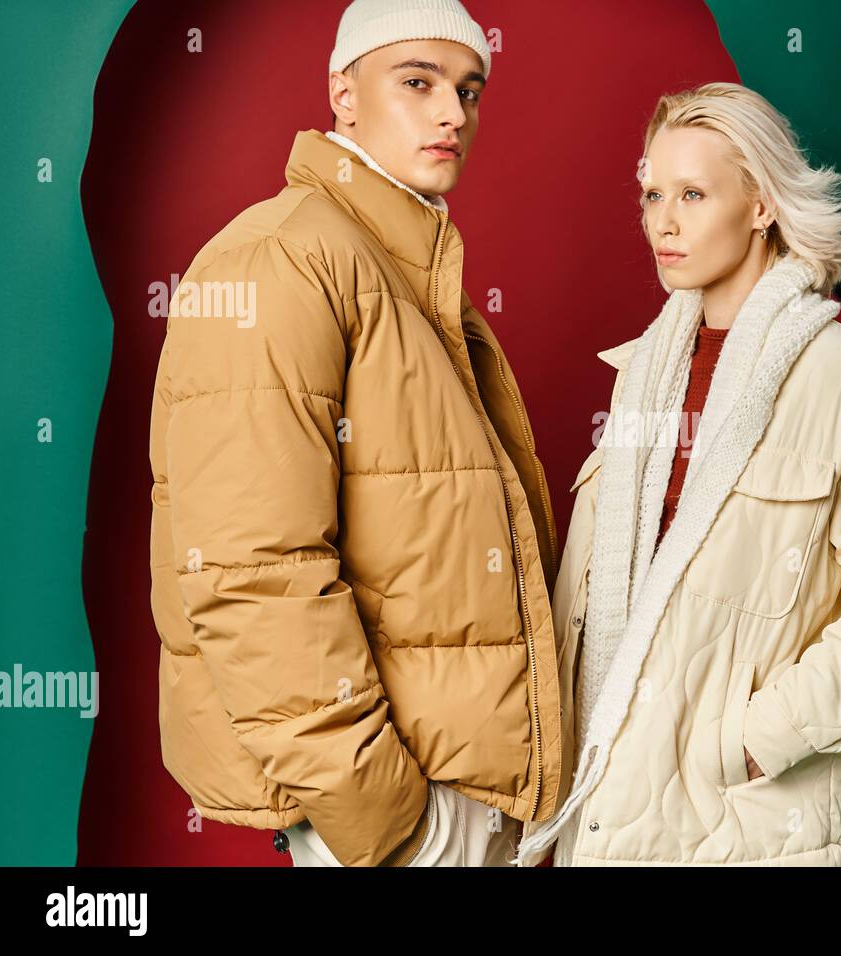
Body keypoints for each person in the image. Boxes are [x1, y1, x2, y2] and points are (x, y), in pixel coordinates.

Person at [148, 0, 563, 867]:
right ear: (343, 93)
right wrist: (386, 821)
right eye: (418, 82)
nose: (454, 113)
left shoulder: (405, 270)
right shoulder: (279, 258)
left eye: (470, 89)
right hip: (400, 816)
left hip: (472, 795)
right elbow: (253, 575)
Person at [513, 82, 841, 867]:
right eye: (652, 192)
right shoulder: (642, 377)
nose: (663, 219)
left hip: (751, 825)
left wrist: (762, 736)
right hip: (609, 814)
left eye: (693, 193)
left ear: (760, 205)